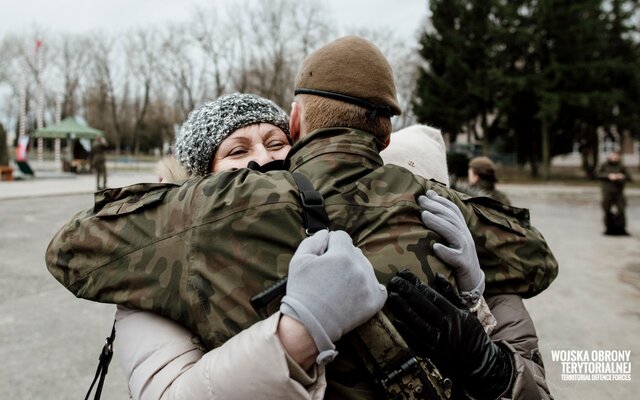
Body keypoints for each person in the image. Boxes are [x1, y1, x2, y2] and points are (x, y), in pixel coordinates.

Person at [46, 36, 558, 399]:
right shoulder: (185, 233)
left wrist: (475, 299)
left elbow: (72, 249)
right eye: (236, 153)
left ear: (295, 130)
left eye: (273, 144)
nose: (260, 162)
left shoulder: (207, 223)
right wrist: (300, 330)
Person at [597, 150, 632, 235]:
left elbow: (629, 177)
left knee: (621, 210)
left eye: (616, 156)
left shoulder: (621, 166)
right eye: (613, 156)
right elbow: (598, 174)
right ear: (609, 157)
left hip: (619, 192)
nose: (614, 158)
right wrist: (608, 176)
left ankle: (622, 229)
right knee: (607, 210)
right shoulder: (604, 165)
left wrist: (622, 176)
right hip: (607, 192)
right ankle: (608, 228)